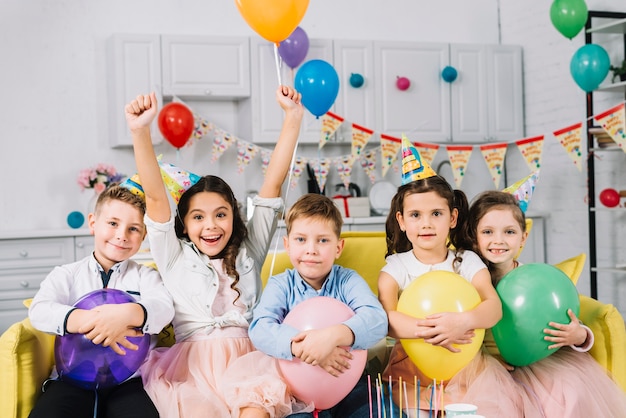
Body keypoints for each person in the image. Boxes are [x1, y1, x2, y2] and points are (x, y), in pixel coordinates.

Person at [125, 85, 304, 417]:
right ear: (184, 225)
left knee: (255, 410)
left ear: (234, 217)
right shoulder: (174, 255)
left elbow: (273, 185)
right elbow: (154, 197)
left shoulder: (249, 250)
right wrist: (140, 131)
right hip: (191, 369)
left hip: (251, 365)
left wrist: (292, 118)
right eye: (198, 217)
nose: (211, 226)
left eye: (221, 214)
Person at [376, 138, 522, 418]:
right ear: (402, 221)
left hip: (466, 365)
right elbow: (387, 319)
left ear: (453, 218)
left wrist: (462, 322)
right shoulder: (395, 268)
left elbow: (493, 306)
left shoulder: (466, 261)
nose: (427, 223)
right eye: (416, 215)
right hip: (413, 369)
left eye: (436, 214)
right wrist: (433, 331)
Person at [467, 190, 626, 418]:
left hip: (540, 361)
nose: (498, 240)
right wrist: (486, 362)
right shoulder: (471, 278)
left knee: (569, 393)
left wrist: (579, 335)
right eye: (488, 232)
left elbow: (564, 317)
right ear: (474, 237)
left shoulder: (535, 279)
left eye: (509, 232)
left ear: (523, 237)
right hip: (491, 364)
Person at [28, 185, 175, 418]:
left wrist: (126, 316)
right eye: (113, 223)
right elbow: (39, 311)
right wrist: (92, 320)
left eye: (134, 228)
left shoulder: (146, 276)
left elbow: (163, 307)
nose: (122, 235)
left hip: (129, 380)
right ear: (93, 223)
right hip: (72, 377)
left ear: (144, 236)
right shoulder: (66, 274)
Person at [247, 193, 389, 417]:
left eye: (322, 240)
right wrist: (308, 349)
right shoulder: (281, 285)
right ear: (287, 245)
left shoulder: (348, 281)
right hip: (294, 390)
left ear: (338, 247)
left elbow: (377, 320)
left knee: (383, 411)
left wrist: (333, 336)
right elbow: (260, 328)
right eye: (301, 239)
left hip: (350, 382)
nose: (311, 249)